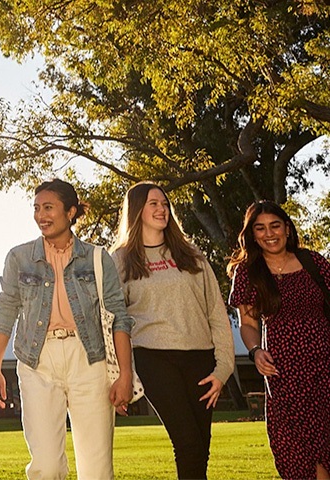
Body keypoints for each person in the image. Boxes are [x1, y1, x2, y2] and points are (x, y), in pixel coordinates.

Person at [0, 178, 134, 480]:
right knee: (47, 467)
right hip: (37, 361)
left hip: (88, 359)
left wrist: (124, 373)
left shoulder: (97, 258)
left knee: (97, 469)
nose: (41, 215)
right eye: (37, 208)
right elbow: (6, 311)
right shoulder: (19, 258)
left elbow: (118, 315)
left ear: (70, 212)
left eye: (49, 207)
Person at [110, 182, 234, 479]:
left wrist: (224, 368)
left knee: (200, 447)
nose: (161, 209)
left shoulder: (192, 255)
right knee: (187, 441)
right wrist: (119, 376)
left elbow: (216, 312)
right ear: (137, 210)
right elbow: (114, 321)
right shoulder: (121, 259)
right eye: (153, 203)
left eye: (164, 203)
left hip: (200, 359)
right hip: (153, 358)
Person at [227, 200, 330, 479]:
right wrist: (255, 351)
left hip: (324, 368)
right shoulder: (248, 272)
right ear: (252, 234)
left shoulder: (314, 262)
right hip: (281, 373)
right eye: (260, 228)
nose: (269, 233)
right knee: (296, 455)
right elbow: (247, 324)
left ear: (286, 228)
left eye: (275, 225)